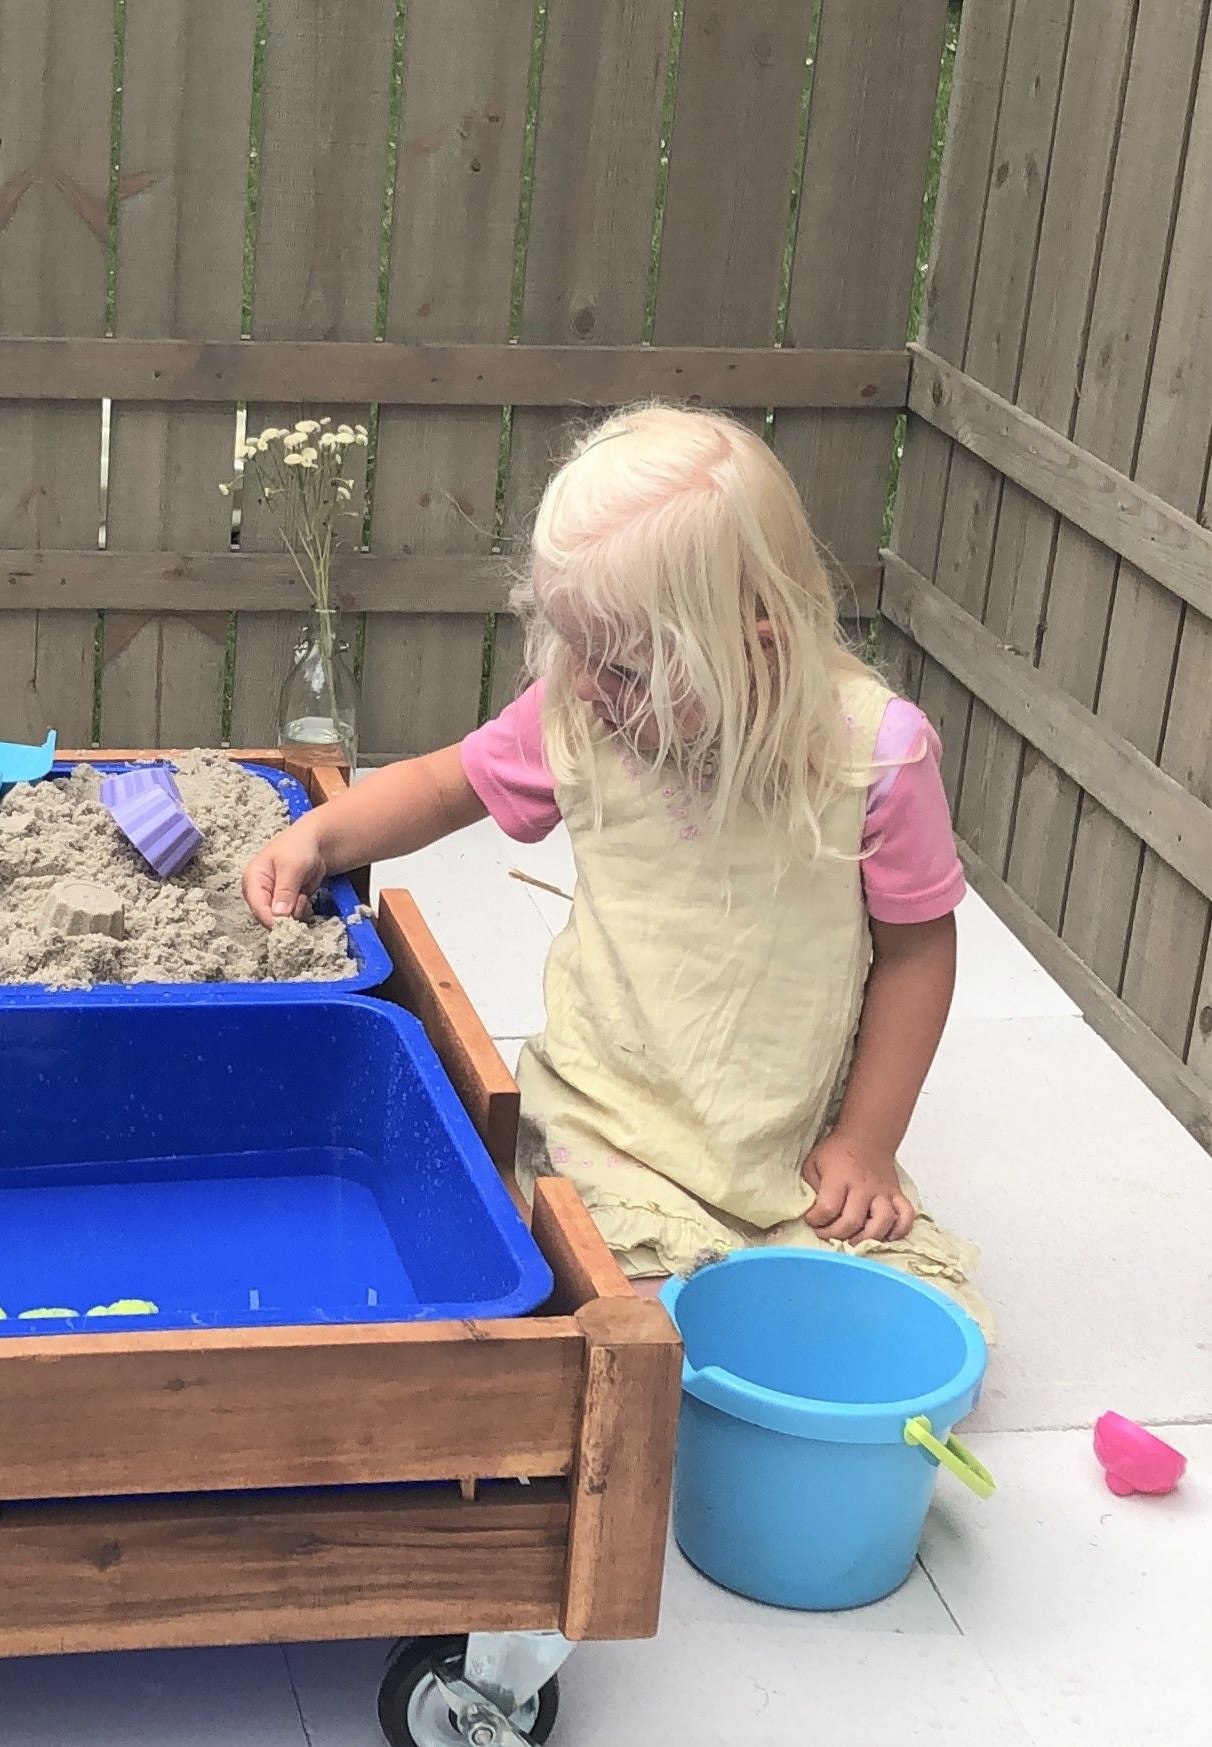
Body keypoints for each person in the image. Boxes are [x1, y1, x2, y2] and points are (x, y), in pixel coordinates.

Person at [245, 404, 985, 1325]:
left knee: (888, 1328)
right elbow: (445, 783)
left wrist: (865, 1142)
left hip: (779, 1137)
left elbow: (917, 952)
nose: (589, 683)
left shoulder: (870, 755)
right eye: (576, 649)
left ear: (752, 642)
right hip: (607, 1117)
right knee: (627, 1318)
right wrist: (319, 835)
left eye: (627, 666)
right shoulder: (584, 711)